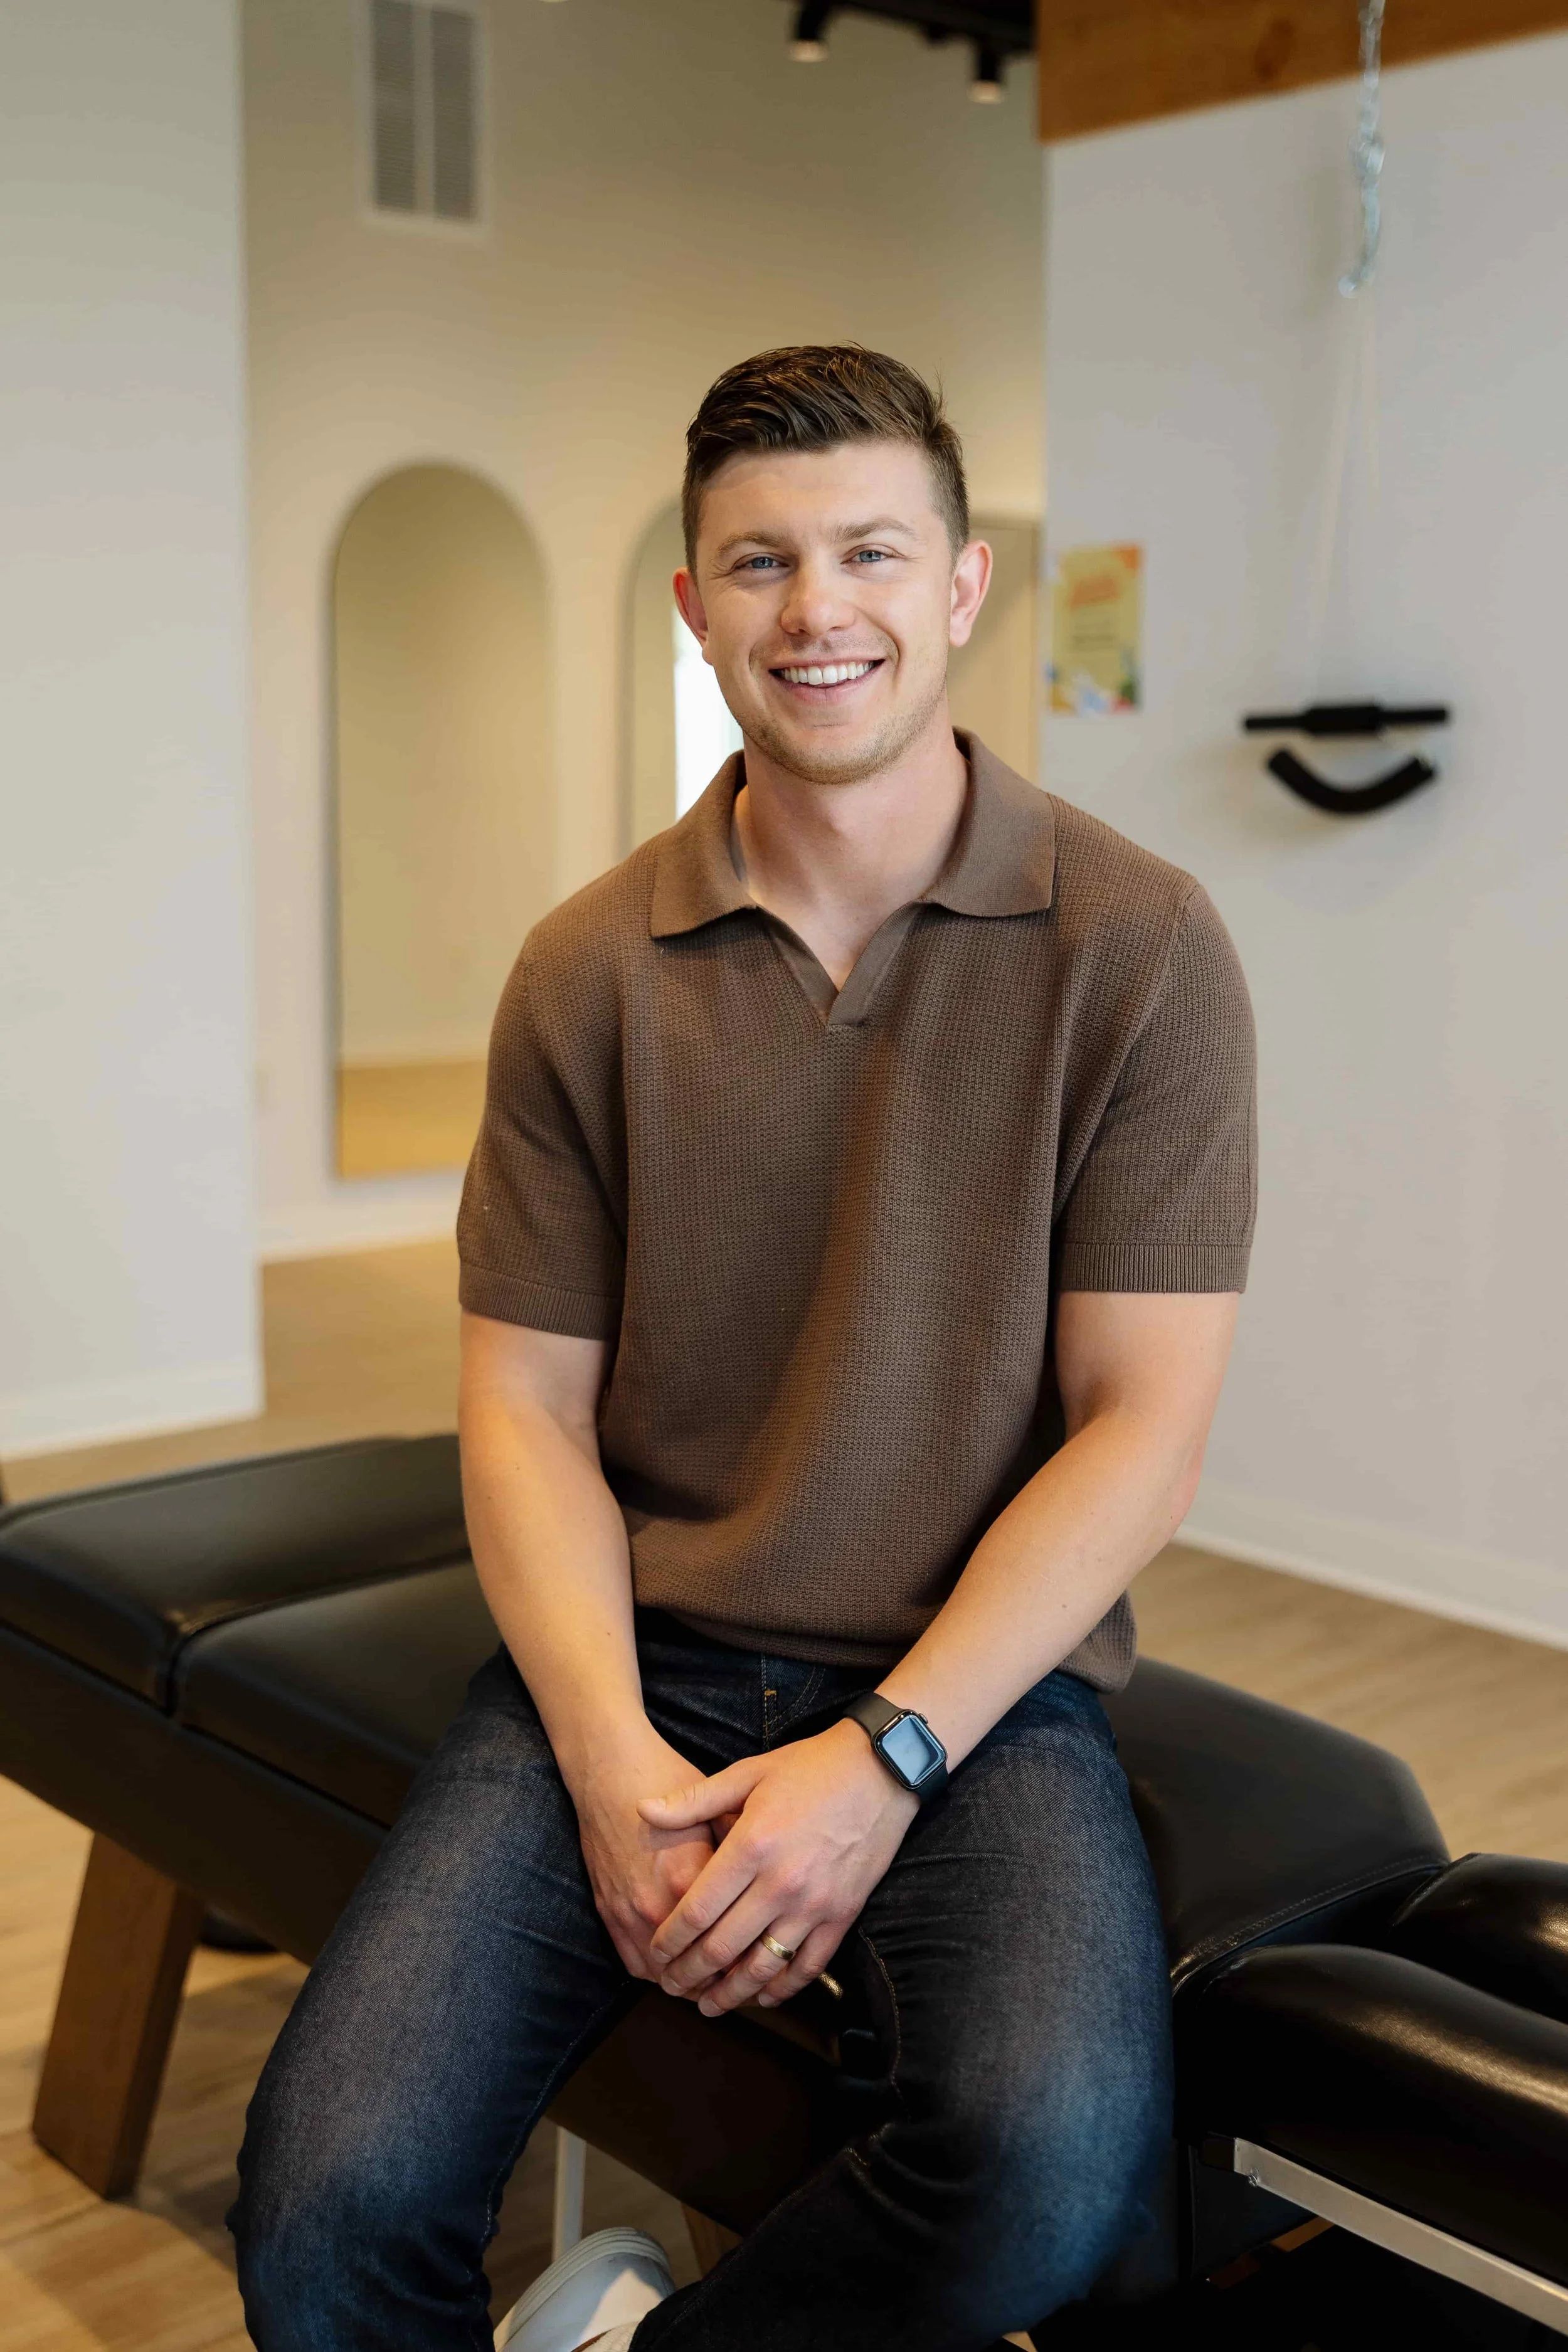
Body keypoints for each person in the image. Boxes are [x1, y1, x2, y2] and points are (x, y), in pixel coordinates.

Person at [231, 345, 1256, 2352]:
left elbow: (1141, 1431)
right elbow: (522, 1410)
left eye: (870, 552)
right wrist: (613, 1766)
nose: (819, 611)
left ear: (960, 585)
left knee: (1047, 2168)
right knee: (327, 2202)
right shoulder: (588, 968)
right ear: (693, 605)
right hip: (636, 1655)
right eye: (759, 563)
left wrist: (884, 1755)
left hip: (967, 1693)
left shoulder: (1140, 948)